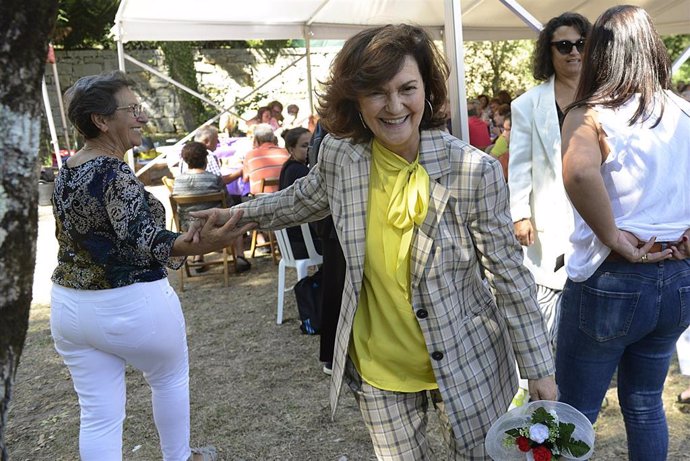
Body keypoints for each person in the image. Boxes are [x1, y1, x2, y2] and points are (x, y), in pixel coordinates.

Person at [194, 24, 556, 458]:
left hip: (469, 360)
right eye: (377, 93)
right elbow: (299, 200)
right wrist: (235, 215)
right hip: (379, 368)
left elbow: (509, 277)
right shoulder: (341, 155)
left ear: (427, 90)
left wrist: (539, 369)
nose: (394, 106)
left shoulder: (472, 172)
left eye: (407, 89)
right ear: (356, 100)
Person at [50, 71, 253, 461]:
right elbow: (145, 237)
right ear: (102, 121)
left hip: (70, 309)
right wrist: (197, 243)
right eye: (133, 109)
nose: (143, 117)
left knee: (98, 416)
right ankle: (179, 457)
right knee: (169, 380)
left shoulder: (68, 170)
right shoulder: (114, 172)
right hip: (128, 303)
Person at [557, 6, 690, 460]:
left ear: (597, 54)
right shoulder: (684, 112)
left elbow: (578, 175)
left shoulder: (589, 114)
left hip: (613, 279)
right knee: (646, 403)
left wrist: (612, 236)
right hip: (678, 277)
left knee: (574, 411)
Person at [508, 12, 592, 347]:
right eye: (564, 46)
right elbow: (519, 164)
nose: (574, 52)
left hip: (601, 210)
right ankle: (542, 383)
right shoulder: (528, 104)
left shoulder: (606, 96)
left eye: (582, 44)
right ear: (550, 52)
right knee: (547, 301)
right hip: (550, 216)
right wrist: (519, 213)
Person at [173, 142, 251, 273]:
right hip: (213, 225)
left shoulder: (178, 181)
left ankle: (198, 258)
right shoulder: (214, 179)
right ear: (205, 159)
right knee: (234, 216)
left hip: (188, 227)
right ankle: (240, 256)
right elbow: (228, 204)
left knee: (196, 216)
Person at [278, 127, 322, 258]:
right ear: (291, 150)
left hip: (290, 243)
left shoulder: (288, 167)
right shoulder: (299, 171)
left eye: (311, 144)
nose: (309, 149)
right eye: (304, 146)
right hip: (303, 243)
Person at [242, 123, 289, 195]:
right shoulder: (286, 153)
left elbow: (245, 179)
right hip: (284, 196)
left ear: (256, 139)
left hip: (260, 200)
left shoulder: (250, 155)